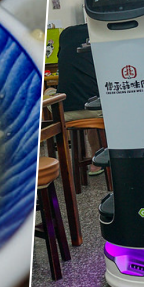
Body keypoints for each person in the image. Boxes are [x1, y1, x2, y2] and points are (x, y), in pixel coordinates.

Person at [55, 23, 103, 175]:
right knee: (101, 103)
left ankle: (96, 158)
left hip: (66, 110)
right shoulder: (102, 32)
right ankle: (103, 158)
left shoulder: (66, 34)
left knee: (89, 100)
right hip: (96, 109)